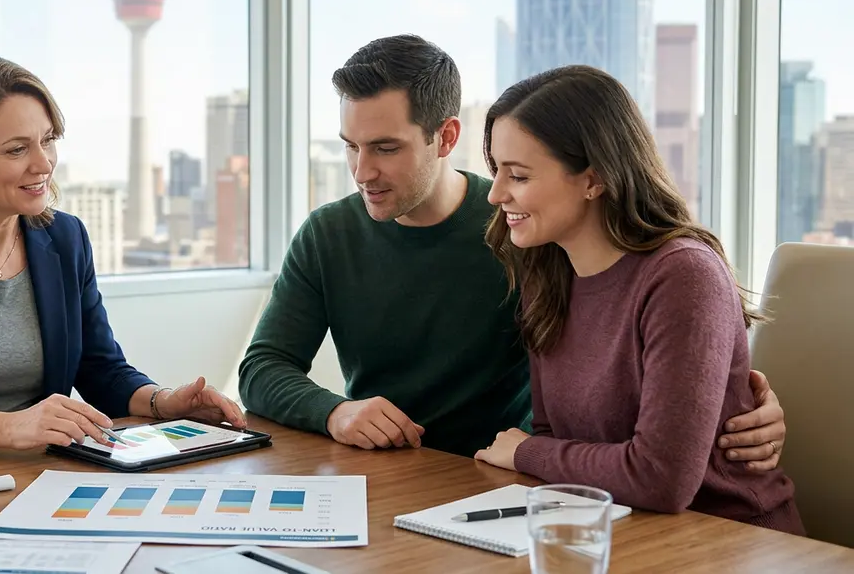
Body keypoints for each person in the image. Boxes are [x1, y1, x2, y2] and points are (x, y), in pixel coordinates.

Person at [238, 35, 787, 471]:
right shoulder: (328, 234)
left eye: (385, 148)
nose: (362, 172)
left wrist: (736, 403)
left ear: (446, 137)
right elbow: (262, 368)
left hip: (505, 475)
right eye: (351, 147)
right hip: (405, 472)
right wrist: (334, 411)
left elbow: (646, 338)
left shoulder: (531, 230)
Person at [0, 56, 245, 452]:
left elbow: (100, 368)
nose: (43, 164)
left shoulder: (65, 237)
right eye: (17, 150)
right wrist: (12, 428)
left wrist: (163, 402)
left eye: (48, 140)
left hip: (32, 471)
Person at [471, 65, 803, 534]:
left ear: (594, 178)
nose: (497, 194)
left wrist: (525, 452)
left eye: (519, 176)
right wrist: (536, 452)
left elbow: (660, 478)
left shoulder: (683, 274)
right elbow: (555, 436)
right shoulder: (548, 272)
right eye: (496, 171)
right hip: (614, 529)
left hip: (725, 537)